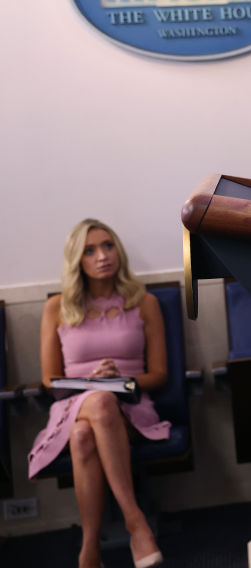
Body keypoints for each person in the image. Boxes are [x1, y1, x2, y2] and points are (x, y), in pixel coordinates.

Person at [28, 219, 167, 568]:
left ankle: (91, 550)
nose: (102, 256)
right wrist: (92, 382)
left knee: (96, 415)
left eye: (108, 246)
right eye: (90, 250)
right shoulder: (57, 308)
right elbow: (49, 379)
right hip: (74, 406)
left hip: (130, 405)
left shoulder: (144, 302)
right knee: (84, 427)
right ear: (77, 260)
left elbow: (159, 374)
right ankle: (135, 524)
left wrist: (119, 379)